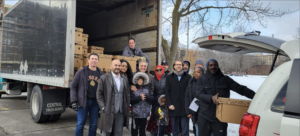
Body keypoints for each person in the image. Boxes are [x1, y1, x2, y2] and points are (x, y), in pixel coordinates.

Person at [195, 59, 256, 136]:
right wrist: (211, 98)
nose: (213, 67)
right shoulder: (201, 79)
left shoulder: (225, 79)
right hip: (204, 117)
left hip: (220, 119)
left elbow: (240, 89)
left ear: (218, 66)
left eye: (215, 65)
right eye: (211, 65)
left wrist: (256, 96)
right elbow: (199, 94)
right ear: (207, 67)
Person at [70, 53, 104, 136]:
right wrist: (74, 101)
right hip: (83, 102)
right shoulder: (81, 72)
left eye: (96, 59)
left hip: (95, 103)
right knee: (80, 124)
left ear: (98, 61)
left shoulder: (101, 74)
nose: (94, 60)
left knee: (93, 125)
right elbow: (73, 87)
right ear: (88, 60)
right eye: (92, 59)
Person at [96, 59, 131, 136]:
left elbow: (127, 94)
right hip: (108, 110)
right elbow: (99, 94)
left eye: (119, 65)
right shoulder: (104, 78)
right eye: (115, 65)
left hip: (120, 111)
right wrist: (103, 108)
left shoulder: (124, 79)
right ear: (111, 66)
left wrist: (127, 105)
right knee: (106, 132)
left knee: (118, 133)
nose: (117, 67)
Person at [165, 60, 192, 136]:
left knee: (185, 127)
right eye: (177, 64)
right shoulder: (169, 77)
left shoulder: (188, 77)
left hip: (185, 106)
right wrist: (169, 104)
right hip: (173, 106)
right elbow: (167, 92)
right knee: (175, 127)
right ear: (174, 66)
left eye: (180, 64)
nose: (178, 66)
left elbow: (190, 92)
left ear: (182, 66)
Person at [146, 65, 172, 136]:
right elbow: (151, 90)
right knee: (155, 122)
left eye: (160, 69)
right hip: (155, 103)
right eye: (157, 70)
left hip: (164, 102)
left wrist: (165, 100)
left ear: (163, 70)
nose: (159, 71)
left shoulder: (167, 78)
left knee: (164, 122)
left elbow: (169, 90)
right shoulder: (153, 79)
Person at [130, 72, 154, 136]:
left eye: (141, 80)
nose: (140, 81)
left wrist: (146, 97)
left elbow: (152, 98)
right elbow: (130, 100)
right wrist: (139, 98)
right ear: (136, 80)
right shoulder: (133, 89)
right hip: (136, 114)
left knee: (142, 130)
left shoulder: (147, 89)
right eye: (138, 80)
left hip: (144, 113)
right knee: (134, 130)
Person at [185, 67, 205, 136]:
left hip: (205, 111)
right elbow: (187, 97)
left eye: (198, 72)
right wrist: (188, 112)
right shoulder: (191, 82)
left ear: (202, 73)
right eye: (195, 72)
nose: (196, 73)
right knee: (197, 128)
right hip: (194, 111)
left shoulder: (206, 82)